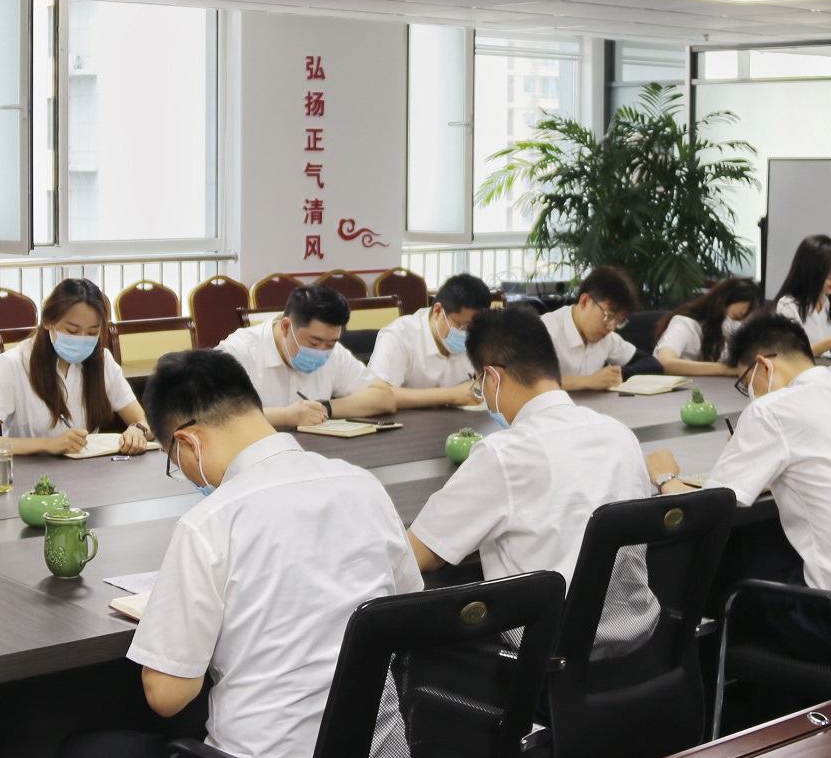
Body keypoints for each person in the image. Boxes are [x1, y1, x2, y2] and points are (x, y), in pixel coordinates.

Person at [53, 350, 420, 758]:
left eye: (174, 460)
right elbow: (404, 614)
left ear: (187, 441)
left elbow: (166, 696)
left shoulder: (212, 521)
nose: (184, 472)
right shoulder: (363, 485)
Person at [647, 314, 831, 662]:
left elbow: (705, 512)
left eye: (745, 381)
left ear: (763, 365)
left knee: (722, 560)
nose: (750, 392)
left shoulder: (771, 409)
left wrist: (665, 478)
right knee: (769, 540)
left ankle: (702, 683)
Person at [407, 308, 659, 660]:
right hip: (637, 645)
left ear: (492, 377)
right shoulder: (619, 435)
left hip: (544, 657)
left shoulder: (504, 453)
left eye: (479, 384)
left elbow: (420, 554)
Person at [0, 279, 151, 456]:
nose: (82, 339)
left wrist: (138, 429)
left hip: (88, 471)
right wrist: (48, 444)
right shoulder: (13, 363)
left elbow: (146, 421)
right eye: (72, 331)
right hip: (31, 473)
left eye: (92, 332)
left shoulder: (101, 360)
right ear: (48, 322)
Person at [216, 284, 394, 428]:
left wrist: (325, 408)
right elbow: (212, 414)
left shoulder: (335, 353)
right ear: (286, 327)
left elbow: (384, 397)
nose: (322, 351)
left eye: (330, 344)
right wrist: (285, 417)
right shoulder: (239, 351)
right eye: (314, 342)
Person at [368, 272, 492, 409]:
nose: (468, 335)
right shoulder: (399, 336)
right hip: (408, 421)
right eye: (462, 327)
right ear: (438, 311)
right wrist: (450, 395)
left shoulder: (481, 336)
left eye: (474, 328)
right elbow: (377, 394)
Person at [540, 266, 640, 392]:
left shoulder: (607, 338)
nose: (611, 328)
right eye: (609, 317)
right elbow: (530, 383)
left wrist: (616, 374)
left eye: (618, 321)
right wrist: (588, 381)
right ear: (584, 301)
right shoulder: (545, 331)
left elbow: (650, 362)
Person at [772, 234, 831, 357]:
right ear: (810, 271)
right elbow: (794, 354)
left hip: (825, 367)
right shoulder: (787, 306)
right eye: (829, 272)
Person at [653, 276, 761, 378]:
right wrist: (723, 369)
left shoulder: (725, 335)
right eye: (737, 317)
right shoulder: (685, 324)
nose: (738, 325)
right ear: (719, 303)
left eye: (745, 322)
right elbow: (664, 363)